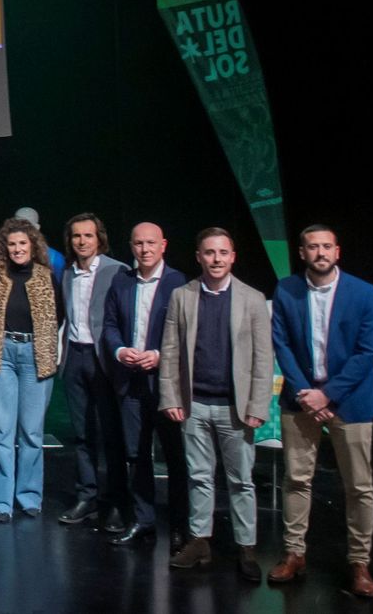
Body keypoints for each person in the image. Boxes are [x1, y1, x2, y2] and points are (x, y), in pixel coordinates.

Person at [267, 225, 373, 598]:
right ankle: (294, 553)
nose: (321, 253)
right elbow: (281, 343)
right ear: (302, 252)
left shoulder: (364, 293)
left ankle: (359, 562)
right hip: (301, 398)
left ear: (337, 251)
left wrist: (327, 395)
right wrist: (307, 394)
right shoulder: (286, 289)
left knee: (359, 486)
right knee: (297, 480)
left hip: (351, 399)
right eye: (313, 247)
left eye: (327, 246)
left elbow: (367, 351)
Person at [162, 228, 272, 581]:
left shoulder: (252, 299)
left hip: (235, 408)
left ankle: (246, 546)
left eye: (223, 252)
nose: (216, 259)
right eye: (209, 252)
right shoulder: (182, 296)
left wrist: (258, 405)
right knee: (199, 476)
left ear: (233, 256)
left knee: (241, 481)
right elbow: (170, 351)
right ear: (199, 256)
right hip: (194, 404)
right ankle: (200, 541)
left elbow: (263, 358)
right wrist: (171, 397)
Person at [100, 222, 188, 547]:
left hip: (165, 383)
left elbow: (185, 333)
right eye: (139, 243)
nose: (145, 249)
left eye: (151, 243)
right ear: (131, 246)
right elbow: (110, 324)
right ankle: (143, 519)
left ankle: (179, 526)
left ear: (163, 245)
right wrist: (120, 351)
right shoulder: (121, 280)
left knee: (175, 456)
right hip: (130, 381)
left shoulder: (178, 283)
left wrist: (159, 355)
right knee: (136, 455)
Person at [0, 218, 63, 521]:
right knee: (1, 431)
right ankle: (1, 502)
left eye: (22, 243)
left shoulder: (45, 276)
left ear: (33, 245)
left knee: (31, 432)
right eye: (12, 244)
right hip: (1, 354)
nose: (17, 249)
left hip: (35, 356)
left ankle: (28, 497)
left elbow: (60, 315)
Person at [57, 212, 128, 530]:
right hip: (76, 357)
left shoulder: (117, 271)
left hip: (105, 361)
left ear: (99, 238)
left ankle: (116, 501)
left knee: (111, 434)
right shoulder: (68, 273)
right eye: (76, 236)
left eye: (88, 235)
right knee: (82, 433)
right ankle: (87, 496)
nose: (82, 241)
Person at [13, 207, 64, 283]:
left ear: (36, 228)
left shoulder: (55, 258)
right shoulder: (5, 255)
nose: (22, 232)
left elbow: (59, 286)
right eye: (18, 227)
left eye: (27, 228)